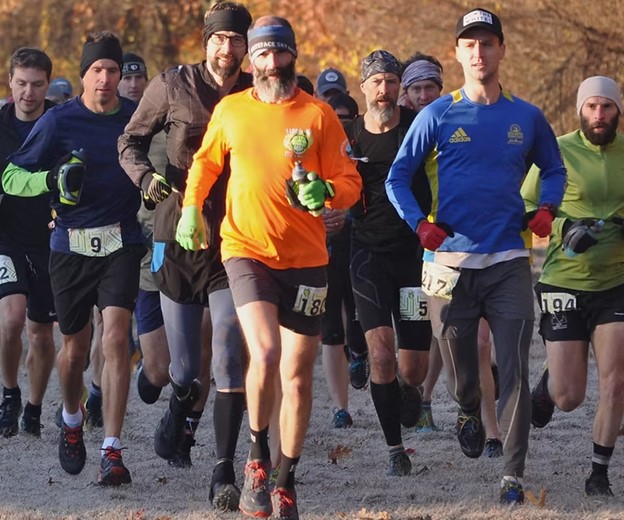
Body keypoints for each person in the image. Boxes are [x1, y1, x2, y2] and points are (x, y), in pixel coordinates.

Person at [177, 15, 361, 519]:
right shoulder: (231, 110)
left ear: (293, 56)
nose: (272, 63)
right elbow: (206, 164)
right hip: (245, 249)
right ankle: (256, 458)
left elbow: (349, 179)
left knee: (298, 377)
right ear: (250, 59)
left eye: (280, 53)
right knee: (264, 349)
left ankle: (286, 477)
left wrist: (327, 191)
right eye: (263, 54)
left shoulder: (319, 115)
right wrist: (192, 206)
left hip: (307, 259)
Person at [386, 7, 566, 504]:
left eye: (488, 43)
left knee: (513, 369)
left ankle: (512, 474)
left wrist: (547, 208)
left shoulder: (526, 116)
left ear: (501, 50)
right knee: (464, 373)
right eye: (470, 44)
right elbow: (396, 177)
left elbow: (554, 168)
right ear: (458, 53)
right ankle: (466, 407)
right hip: (449, 266)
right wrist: (419, 223)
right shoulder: (436, 114)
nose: (479, 52)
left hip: (508, 260)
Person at [118, 2, 253, 511]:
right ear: (206, 43)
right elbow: (128, 141)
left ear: (245, 45)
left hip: (235, 233)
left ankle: (222, 471)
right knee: (183, 368)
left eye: (236, 40)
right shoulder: (173, 85)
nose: (227, 49)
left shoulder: (255, 91)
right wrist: (147, 179)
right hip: (175, 229)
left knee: (227, 348)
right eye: (219, 39)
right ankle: (178, 405)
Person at [3, 31, 143, 487]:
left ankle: (113, 449)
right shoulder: (59, 121)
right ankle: (69, 417)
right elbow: (10, 176)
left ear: (121, 76)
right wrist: (50, 180)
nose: (105, 79)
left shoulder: (136, 121)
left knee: (117, 337)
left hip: (121, 241)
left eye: (113, 71)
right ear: (83, 75)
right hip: (69, 246)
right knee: (75, 350)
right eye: (97, 71)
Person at [522, 76, 624, 497]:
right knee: (569, 397)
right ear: (579, 111)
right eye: (591, 108)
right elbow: (527, 206)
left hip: (617, 281)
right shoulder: (557, 150)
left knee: (616, 381)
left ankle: (599, 474)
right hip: (563, 280)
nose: (599, 115)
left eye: (607, 107)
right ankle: (548, 385)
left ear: (618, 110)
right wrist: (563, 227)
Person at [345, 50, 431, 477]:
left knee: (413, 368)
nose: (384, 89)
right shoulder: (350, 138)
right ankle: (395, 448)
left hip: (412, 257)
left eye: (391, 82)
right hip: (366, 254)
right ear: (363, 87)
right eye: (376, 82)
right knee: (380, 352)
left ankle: (405, 386)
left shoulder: (418, 128)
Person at [0, 47, 56, 438]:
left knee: (40, 332)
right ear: (10, 84)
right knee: (11, 319)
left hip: (51, 238)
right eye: (21, 84)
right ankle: (10, 393)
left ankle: (34, 406)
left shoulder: (60, 122)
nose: (28, 93)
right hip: (7, 236)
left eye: (37, 84)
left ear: (48, 85)